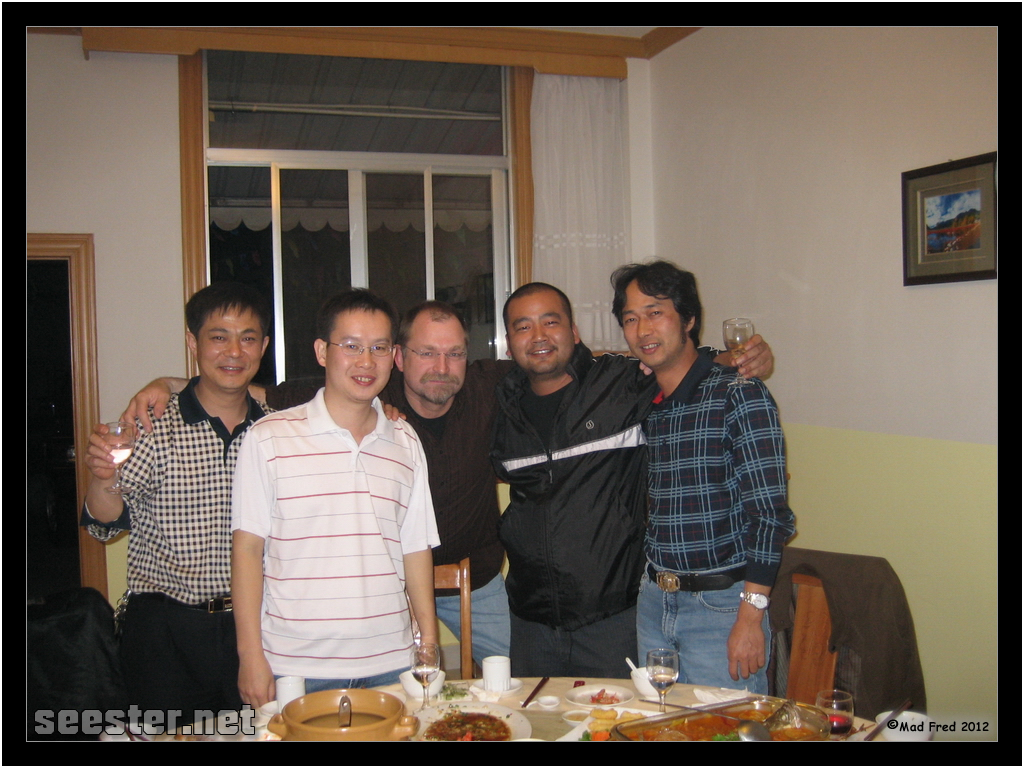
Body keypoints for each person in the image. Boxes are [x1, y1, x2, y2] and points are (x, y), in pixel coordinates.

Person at [127, 301, 513, 665]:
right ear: (399, 357)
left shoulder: (479, 390)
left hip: (475, 579)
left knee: (511, 676)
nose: (442, 366)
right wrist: (169, 384)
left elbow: (539, 363)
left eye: (455, 353)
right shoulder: (365, 390)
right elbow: (242, 387)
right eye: (426, 352)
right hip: (384, 595)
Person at [490, 282, 775, 679]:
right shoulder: (500, 407)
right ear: (509, 342)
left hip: (613, 620)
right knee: (537, 716)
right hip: (529, 620)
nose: (538, 336)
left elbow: (678, 362)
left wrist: (735, 357)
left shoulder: (622, 384)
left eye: (550, 322)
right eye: (523, 327)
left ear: (574, 332)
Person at [231, 289, 439, 708]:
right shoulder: (269, 438)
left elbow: (416, 549)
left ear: (394, 356)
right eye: (351, 346)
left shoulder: (405, 440)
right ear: (322, 352)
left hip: (392, 661)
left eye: (379, 348)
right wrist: (250, 655)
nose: (366, 362)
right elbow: (248, 550)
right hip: (297, 666)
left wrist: (429, 648)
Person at [81, 282, 272, 716]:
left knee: (260, 735)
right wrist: (103, 477)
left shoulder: (276, 427)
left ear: (263, 346)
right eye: (218, 337)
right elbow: (103, 526)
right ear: (193, 342)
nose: (234, 352)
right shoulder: (151, 424)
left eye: (247, 338)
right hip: (166, 630)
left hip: (258, 625)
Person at [611, 260, 795, 693]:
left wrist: (750, 616)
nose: (642, 330)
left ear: (689, 319)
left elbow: (770, 517)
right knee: (660, 723)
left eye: (655, 312)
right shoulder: (647, 401)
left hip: (722, 608)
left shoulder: (740, 393)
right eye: (630, 319)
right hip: (655, 601)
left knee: (727, 727)